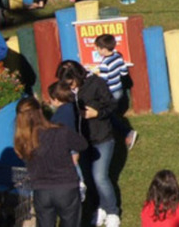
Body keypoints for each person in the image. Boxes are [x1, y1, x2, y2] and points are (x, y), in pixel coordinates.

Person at [56, 59, 120, 227]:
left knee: (100, 177)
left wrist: (97, 113)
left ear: (78, 76)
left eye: (72, 83)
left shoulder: (97, 83)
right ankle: (99, 208)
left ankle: (113, 212)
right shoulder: (68, 91)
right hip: (81, 142)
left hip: (102, 138)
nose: (71, 87)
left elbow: (112, 105)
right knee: (89, 179)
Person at [14, 97, 88, 227]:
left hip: (41, 191)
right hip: (66, 188)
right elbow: (82, 144)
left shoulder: (22, 141)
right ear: (40, 112)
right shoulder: (60, 131)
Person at [93, 34, 138, 150]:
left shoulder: (104, 64)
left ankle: (127, 132)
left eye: (97, 48)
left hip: (110, 93)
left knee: (108, 115)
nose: (96, 50)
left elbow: (102, 82)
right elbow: (123, 72)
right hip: (118, 90)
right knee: (112, 114)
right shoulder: (118, 56)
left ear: (103, 49)